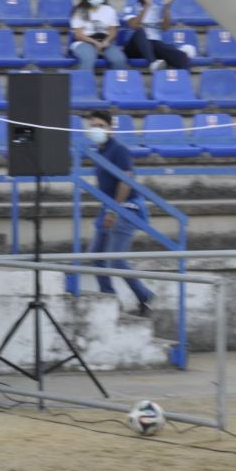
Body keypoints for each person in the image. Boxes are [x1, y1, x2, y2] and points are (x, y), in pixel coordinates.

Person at [85, 110, 154, 316]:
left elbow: (125, 181)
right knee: (96, 256)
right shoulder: (99, 151)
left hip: (125, 208)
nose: (96, 129)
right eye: (93, 126)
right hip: (109, 207)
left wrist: (114, 211)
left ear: (110, 129)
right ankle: (110, 299)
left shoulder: (119, 150)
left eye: (101, 126)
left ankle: (145, 296)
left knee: (116, 259)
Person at [122, 0, 192, 71]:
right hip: (133, 47)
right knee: (140, 30)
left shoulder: (158, 4)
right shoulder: (131, 4)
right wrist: (146, 6)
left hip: (153, 45)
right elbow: (134, 26)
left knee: (181, 59)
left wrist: (166, 8)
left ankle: (181, 55)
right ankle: (153, 63)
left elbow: (165, 28)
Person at [69, 0, 128, 72]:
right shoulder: (79, 10)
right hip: (84, 42)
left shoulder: (109, 10)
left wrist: (106, 41)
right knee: (88, 58)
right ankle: (84, 81)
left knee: (119, 60)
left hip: (104, 41)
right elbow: (78, 35)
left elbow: (113, 31)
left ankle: (114, 81)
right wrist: (95, 43)